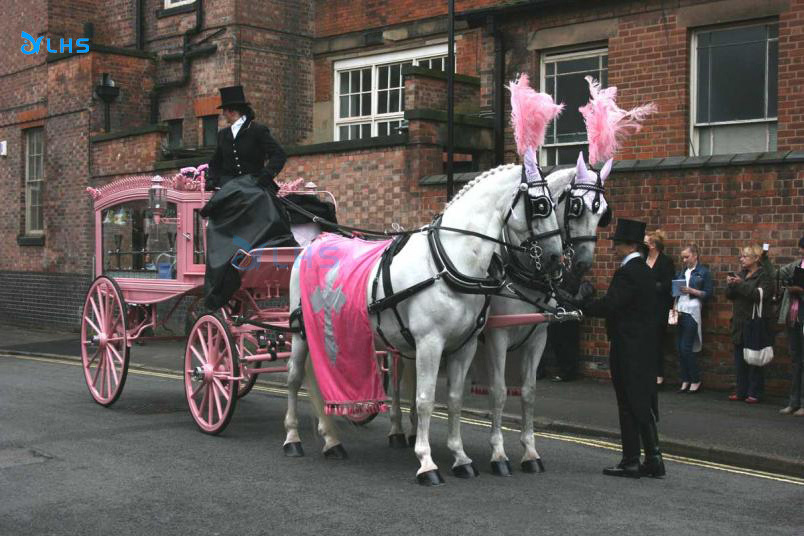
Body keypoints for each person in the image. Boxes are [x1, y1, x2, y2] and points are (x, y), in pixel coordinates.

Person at [582, 218, 664, 479]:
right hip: (645, 346)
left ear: (628, 246)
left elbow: (611, 304)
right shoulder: (646, 272)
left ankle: (631, 460)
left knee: (628, 403)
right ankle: (653, 459)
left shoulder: (628, 272)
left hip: (628, 347)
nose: (613, 248)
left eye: (616, 243)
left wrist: (582, 306)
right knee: (643, 401)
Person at [202, 85, 296, 309]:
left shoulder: (257, 130)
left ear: (232, 111)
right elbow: (215, 162)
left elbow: (278, 155)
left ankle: (257, 251)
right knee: (217, 220)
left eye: (225, 110)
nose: (224, 114)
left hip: (254, 187)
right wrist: (212, 180)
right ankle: (226, 261)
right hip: (231, 190)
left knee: (266, 210)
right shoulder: (223, 135)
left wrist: (265, 176)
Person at [725, 244, 775, 404]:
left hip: (754, 322)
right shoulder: (742, 273)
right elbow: (730, 296)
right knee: (739, 359)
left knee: (754, 358)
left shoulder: (764, 276)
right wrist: (731, 284)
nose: (741, 259)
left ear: (755, 259)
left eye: (745, 256)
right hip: (739, 322)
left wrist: (740, 284)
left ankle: (755, 392)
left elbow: (759, 295)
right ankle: (741, 390)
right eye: (741, 256)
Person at [674, 244, 714, 394]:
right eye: (683, 257)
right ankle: (685, 379)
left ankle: (695, 379)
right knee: (679, 347)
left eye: (687, 256)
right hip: (680, 310)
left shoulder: (703, 272)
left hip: (693, 311)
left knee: (686, 347)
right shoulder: (681, 272)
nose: (684, 260)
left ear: (695, 255)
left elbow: (709, 293)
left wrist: (692, 290)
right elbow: (675, 292)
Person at [644, 230, 675, 387]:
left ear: (653, 245)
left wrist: (650, 286)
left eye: (646, 243)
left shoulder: (665, 262)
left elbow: (667, 285)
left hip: (658, 308)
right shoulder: (643, 259)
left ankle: (658, 376)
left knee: (656, 343)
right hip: (642, 307)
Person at [777, 236, 804, 416]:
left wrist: (801, 292)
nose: (801, 251)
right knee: (795, 361)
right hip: (794, 319)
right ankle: (794, 402)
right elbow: (776, 274)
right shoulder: (796, 266)